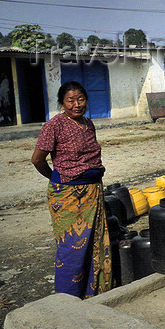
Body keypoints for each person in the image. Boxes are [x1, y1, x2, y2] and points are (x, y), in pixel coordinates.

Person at [31, 81, 112, 299]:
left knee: (94, 243)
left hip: (93, 192)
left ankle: (92, 293)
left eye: (81, 99)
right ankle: (67, 298)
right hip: (67, 195)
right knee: (71, 247)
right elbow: (37, 159)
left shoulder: (88, 124)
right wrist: (57, 179)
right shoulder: (54, 125)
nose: (76, 104)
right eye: (70, 100)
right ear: (62, 103)